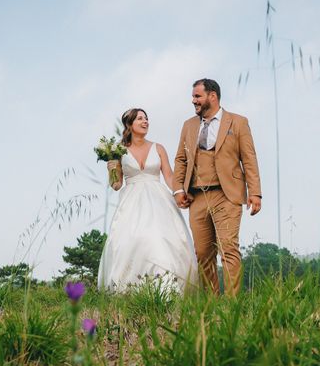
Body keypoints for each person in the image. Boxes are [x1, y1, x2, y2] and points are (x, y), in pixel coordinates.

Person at [173, 78, 261, 296]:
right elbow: (181, 159)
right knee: (202, 253)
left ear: (212, 96)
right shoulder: (188, 125)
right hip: (197, 196)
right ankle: (212, 304)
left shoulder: (238, 122)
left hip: (227, 194)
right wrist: (178, 189)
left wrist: (255, 193)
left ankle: (231, 306)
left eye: (197, 96)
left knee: (228, 249)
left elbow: (249, 159)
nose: (193, 101)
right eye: (193, 96)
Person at [97, 108, 199, 293]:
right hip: (131, 203)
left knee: (160, 240)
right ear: (129, 124)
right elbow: (116, 185)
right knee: (130, 242)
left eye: (146, 118)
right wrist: (111, 169)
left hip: (158, 201)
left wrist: (179, 191)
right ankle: (129, 290)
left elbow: (169, 176)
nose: (145, 122)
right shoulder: (119, 151)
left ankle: (167, 291)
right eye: (140, 119)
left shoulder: (158, 148)